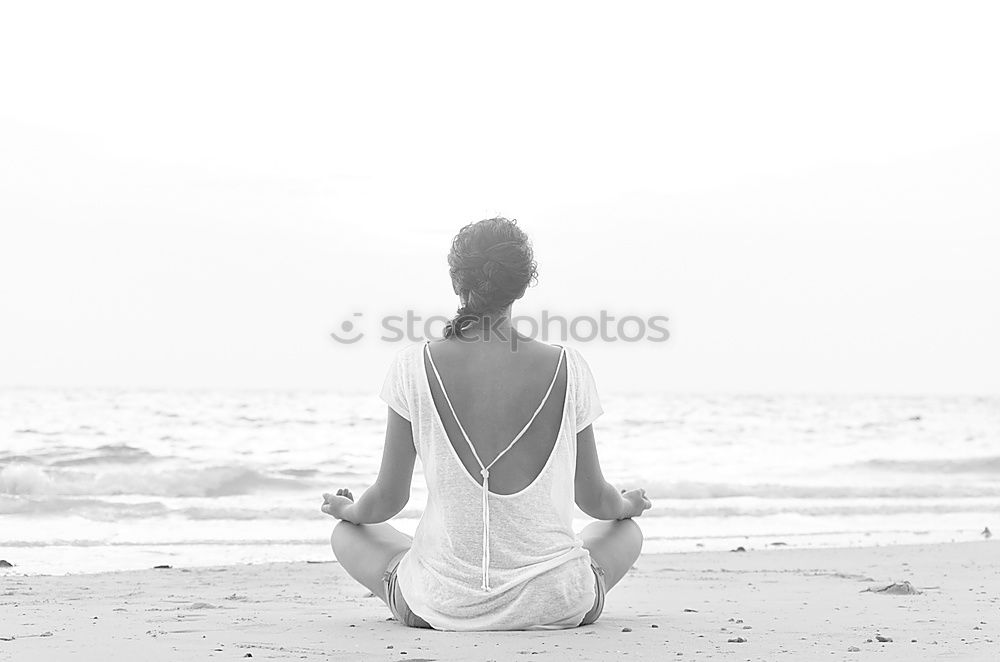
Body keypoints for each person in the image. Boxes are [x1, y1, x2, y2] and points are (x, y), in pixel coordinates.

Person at [322, 217, 651, 631]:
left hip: (441, 606)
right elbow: (594, 501)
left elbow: (388, 499)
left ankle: (444, 573)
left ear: (458, 282)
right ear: (522, 283)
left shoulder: (412, 364)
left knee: (346, 534)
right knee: (626, 531)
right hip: (557, 602)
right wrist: (627, 506)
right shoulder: (567, 367)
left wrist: (350, 510)